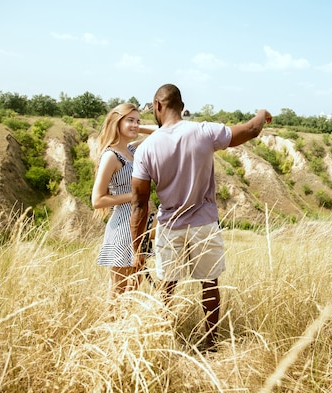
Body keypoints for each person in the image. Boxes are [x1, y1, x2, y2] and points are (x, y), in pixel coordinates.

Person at [130, 83, 272, 351]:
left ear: (158, 106)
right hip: (204, 223)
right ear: (181, 107)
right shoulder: (204, 132)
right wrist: (262, 112)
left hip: (169, 226)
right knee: (209, 285)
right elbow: (252, 129)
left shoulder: (146, 149)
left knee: (166, 288)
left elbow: (140, 204)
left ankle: (163, 343)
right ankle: (210, 344)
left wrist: (137, 248)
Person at [91, 102, 157, 305]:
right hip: (122, 227)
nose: (136, 125)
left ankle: (124, 331)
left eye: (138, 121)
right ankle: (110, 332)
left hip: (141, 225)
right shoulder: (111, 156)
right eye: (130, 120)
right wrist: (135, 195)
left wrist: (136, 127)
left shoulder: (131, 150)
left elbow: (162, 131)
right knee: (118, 291)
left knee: (134, 288)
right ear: (116, 122)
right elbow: (97, 200)